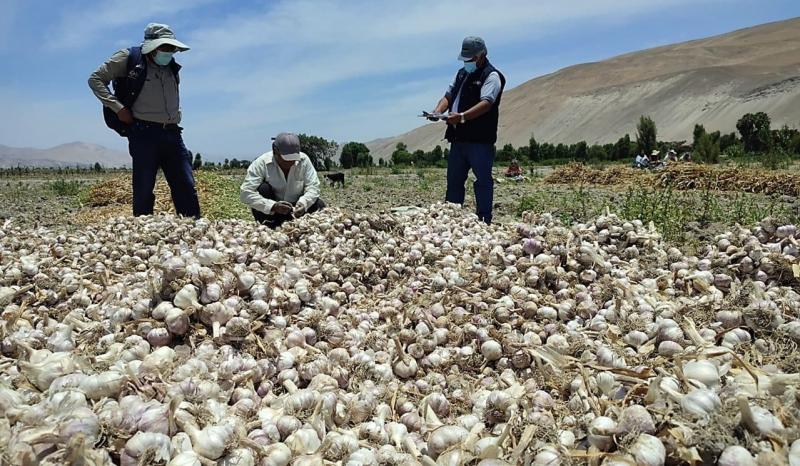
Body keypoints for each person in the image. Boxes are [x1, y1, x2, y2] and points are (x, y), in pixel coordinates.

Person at [89, 23, 200, 217]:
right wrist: (118, 108)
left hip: (172, 133)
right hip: (143, 133)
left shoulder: (171, 67)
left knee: (185, 184)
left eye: (171, 48)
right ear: (152, 46)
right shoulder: (129, 58)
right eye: (164, 48)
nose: (168, 52)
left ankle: (193, 226)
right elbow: (96, 79)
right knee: (143, 187)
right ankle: (142, 230)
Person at [429, 36, 506, 224]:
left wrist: (462, 117)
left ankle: (483, 221)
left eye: (470, 59)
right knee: (454, 181)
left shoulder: (491, 76)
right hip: (458, 139)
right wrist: (438, 111)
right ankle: (452, 219)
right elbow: (448, 95)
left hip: (479, 141)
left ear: (481, 56)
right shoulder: (461, 74)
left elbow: (486, 103)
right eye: (465, 59)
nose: (467, 63)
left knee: (482, 181)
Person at [240, 133, 324, 228]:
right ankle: (269, 227)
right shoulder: (261, 163)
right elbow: (245, 193)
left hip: (297, 211)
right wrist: (273, 206)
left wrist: (303, 204)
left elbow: (313, 187)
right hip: (272, 212)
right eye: (286, 159)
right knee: (263, 189)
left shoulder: (304, 160)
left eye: (293, 159)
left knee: (319, 204)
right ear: (275, 151)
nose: (290, 162)